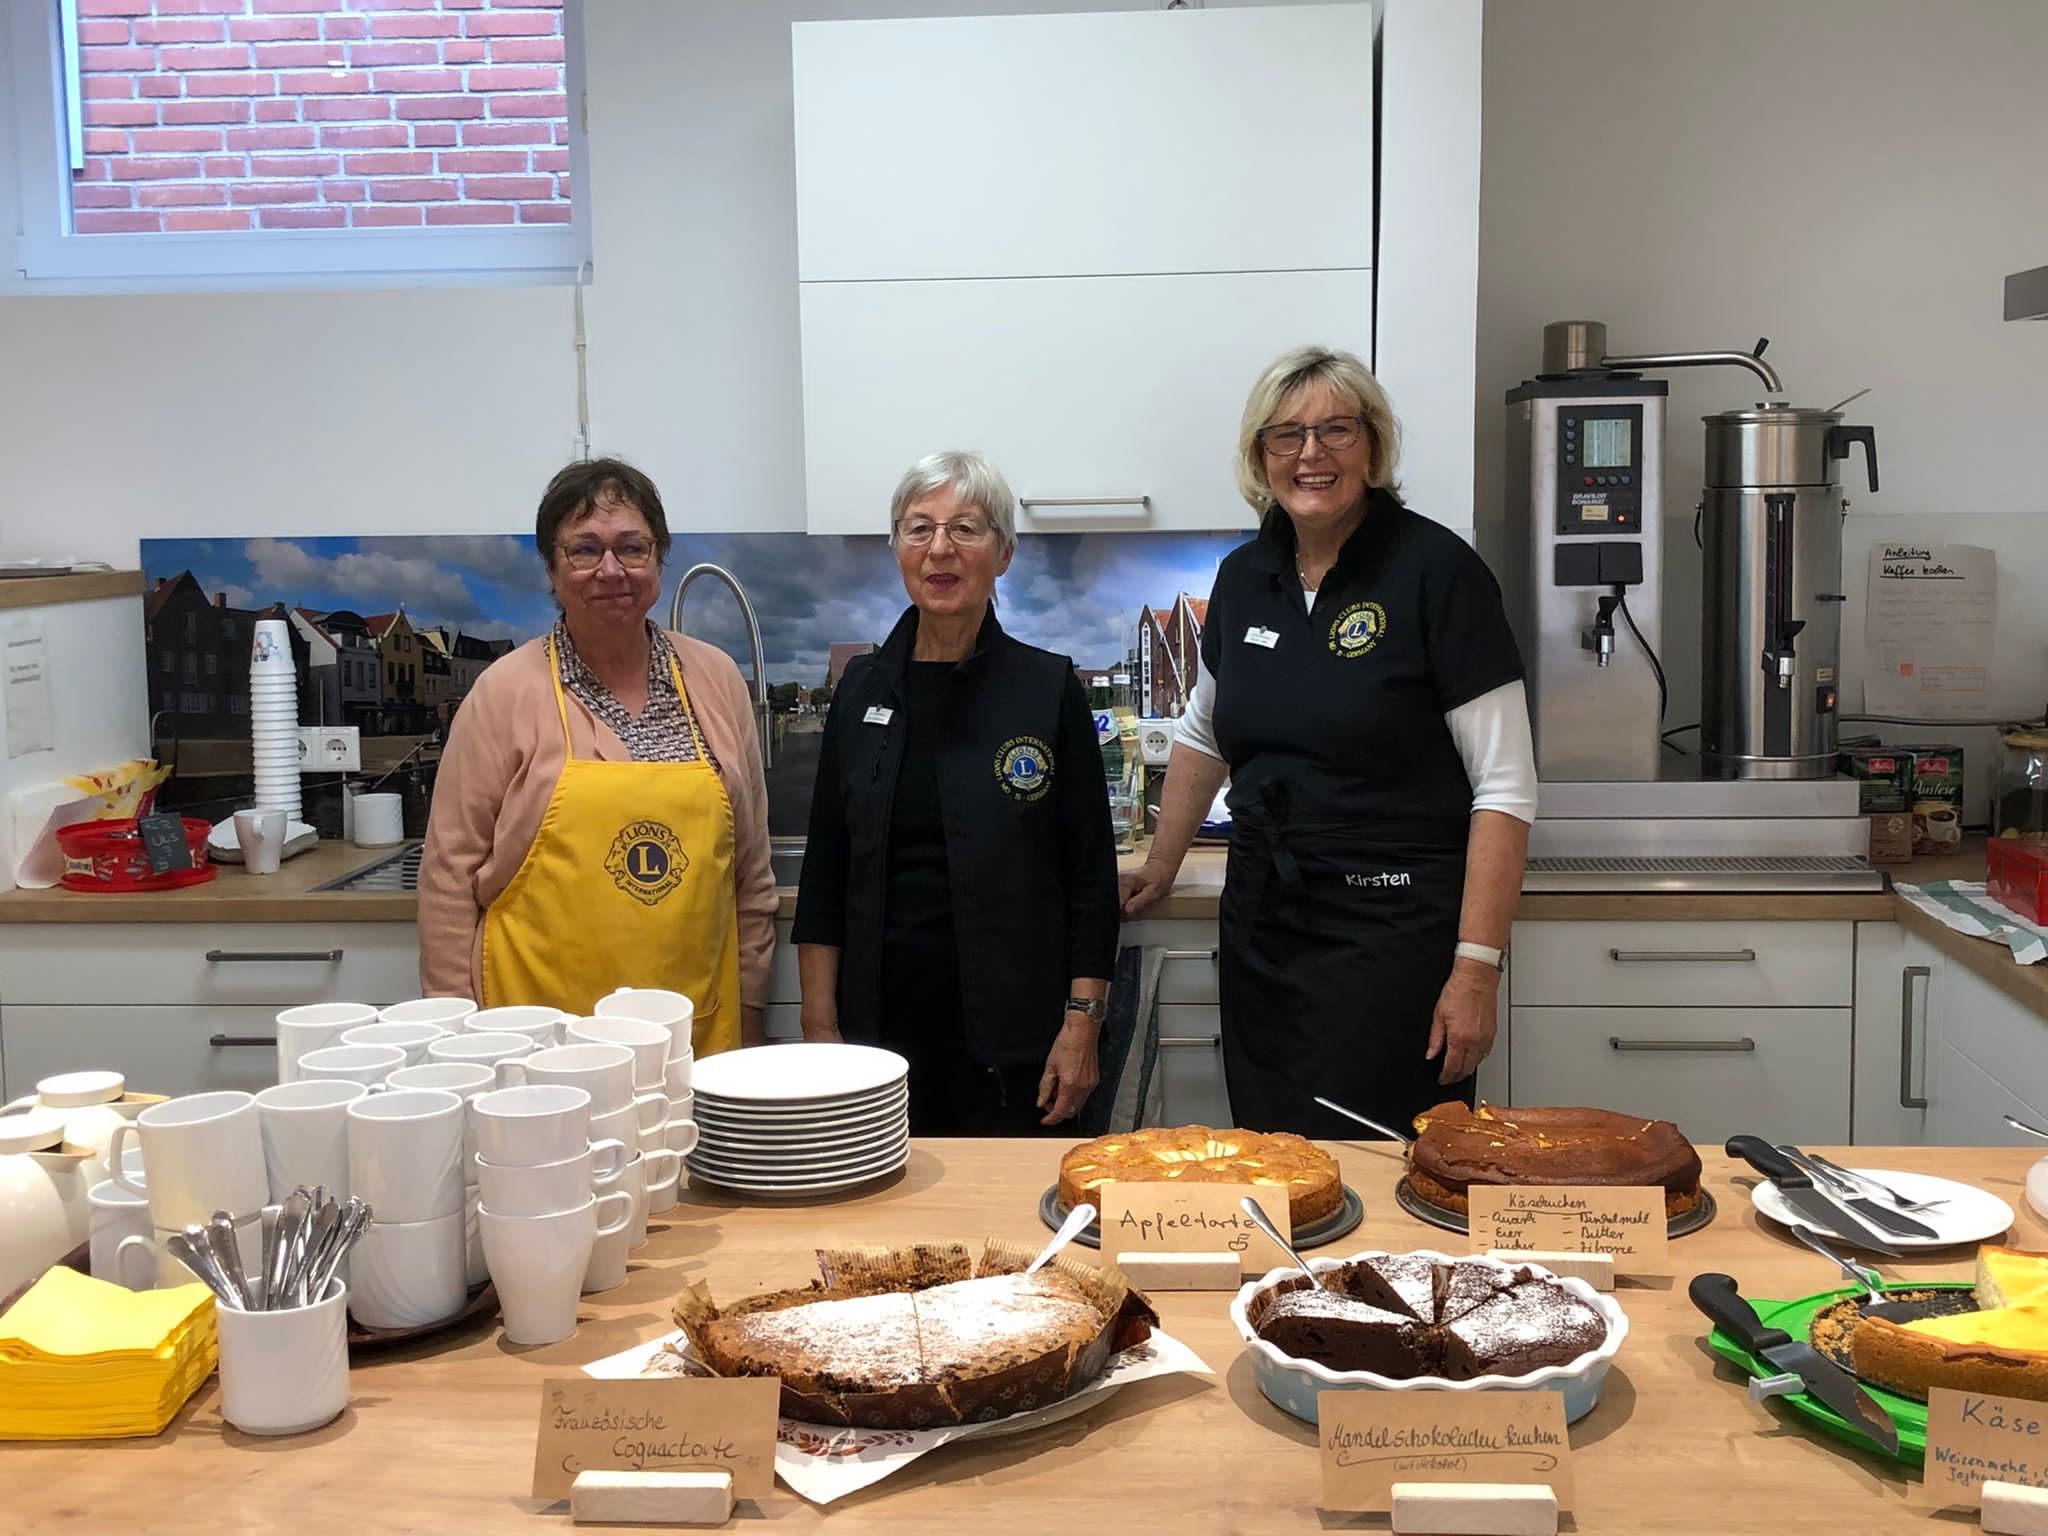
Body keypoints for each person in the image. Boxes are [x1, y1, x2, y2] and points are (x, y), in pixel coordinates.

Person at [1121, 346, 1536, 1138]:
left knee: (1385, 1174)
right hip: (1266, 930)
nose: (1311, 454)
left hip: (1390, 942)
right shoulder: (1246, 577)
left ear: (1373, 447)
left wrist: (1475, 970)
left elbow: (1505, 787)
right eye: (1287, 435)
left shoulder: (1438, 573)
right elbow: (1206, 730)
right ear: (1260, 457)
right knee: (1276, 1161)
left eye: (1336, 430)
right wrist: (1163, 862)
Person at [793, 450, 1120, 1134]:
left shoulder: (1046, 688)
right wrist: (820, 1027)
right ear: (898, 549)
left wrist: (1081, 1026)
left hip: (1017, 1044)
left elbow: (1090, 878)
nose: (940, 548)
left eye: (966, 529)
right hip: (877, 1042)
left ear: (1002, 553)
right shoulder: (861, 690)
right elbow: (825, 871)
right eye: (919, 528)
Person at [418, 458, 776, 1053]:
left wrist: (752, 1005)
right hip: (535, 1035)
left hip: (696, 1027)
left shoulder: (715, 679)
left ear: (659, 559)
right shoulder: (504, 691)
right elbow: (449, 878)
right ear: (553, 569)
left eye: (631, 547)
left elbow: (751, 875)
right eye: (585, 549)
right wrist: (456, 1031)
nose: (611, 569)